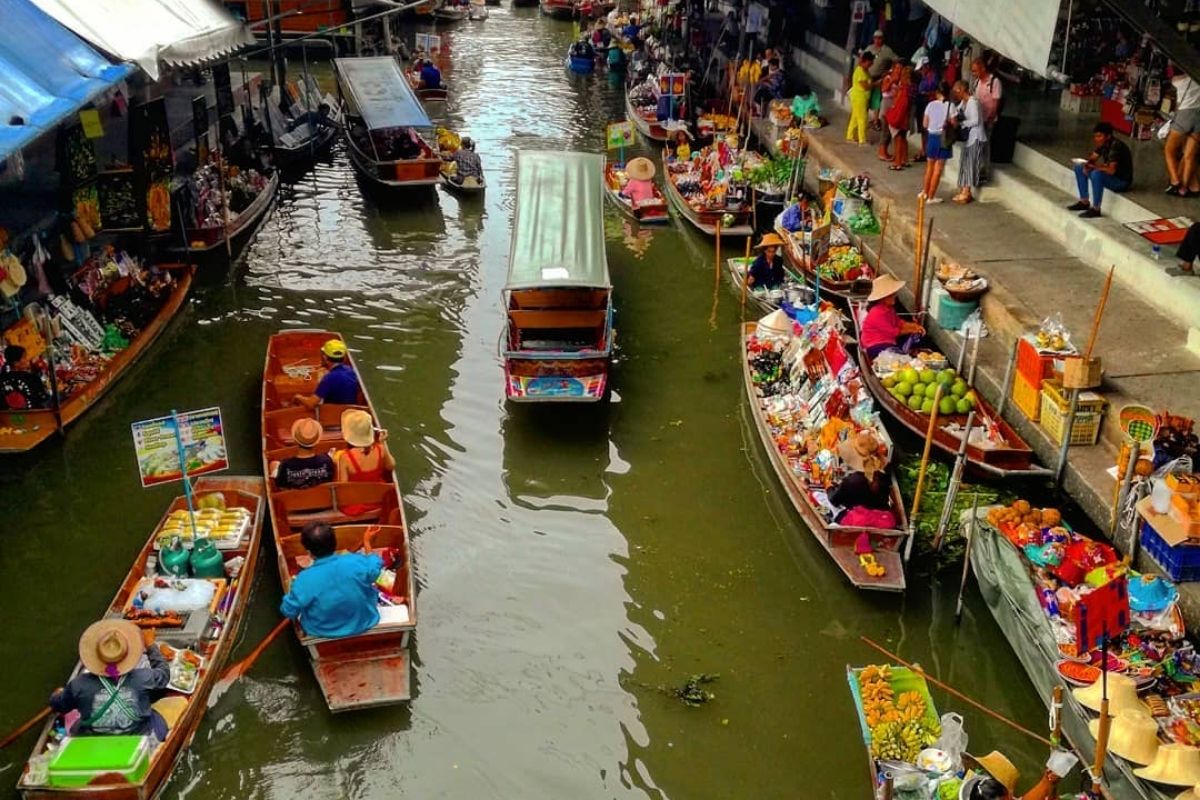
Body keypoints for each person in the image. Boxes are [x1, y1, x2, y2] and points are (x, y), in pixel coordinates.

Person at [49, 620, 171, 738]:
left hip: (94, 739)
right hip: (137, 735)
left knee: (77, 726)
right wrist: (150, 645)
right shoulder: (144, 677)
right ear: (126, 656)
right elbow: (164, 674)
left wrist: (58, 694)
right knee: (155, 717)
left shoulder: (78, 685)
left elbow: (59, 705)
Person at [280, 522, 384, 638]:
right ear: (334, 543)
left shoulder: (303, 580)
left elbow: (288, 611)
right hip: (364, 622)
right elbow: (375, 566)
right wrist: (367, 543)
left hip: (322, 632)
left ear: (309, 552)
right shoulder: (356, 562)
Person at [1068, 122, 1133, 218]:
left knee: (1096, 174)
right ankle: (1084, 201)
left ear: (1108, 136)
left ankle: (1096, 209)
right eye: (1095, 136)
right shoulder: (1103, 144)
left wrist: (1094, 167)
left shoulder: (1116, 146)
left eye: (1099, 136)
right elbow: (1093, 158)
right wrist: (1087, 164)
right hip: (1110, 177)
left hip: (1121, 181)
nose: (1096, 139)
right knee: (1079, 168)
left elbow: (1111, 170)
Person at [829, 431, 893, 518]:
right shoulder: (884, 473)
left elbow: (834, 501)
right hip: (878, 514)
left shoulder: (851, 481)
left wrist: (828, 487)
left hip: (856, 517)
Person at [860, 274, 924, 358]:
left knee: (916, 338)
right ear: (882, 298)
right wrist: (911, 330)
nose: (894, 296)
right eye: (891, 295)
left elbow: (899, 322)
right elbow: (892, 332)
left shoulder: (888, 308)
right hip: (875, 345)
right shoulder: (877, 312)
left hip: (888, 341)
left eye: (894, 294)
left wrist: (914, 326)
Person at [294, 339, 360, 410]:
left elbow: (311, 404)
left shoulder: (329, 378)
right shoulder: (351, 370)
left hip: (333, 413)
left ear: (325, 357)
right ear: (344, 358)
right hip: (351, 411)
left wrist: (298, 397)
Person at [1165, 66, 1200, 196]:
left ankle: (1175, 181)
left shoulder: (1177, 80)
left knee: (1169, 150)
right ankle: (1184, 188)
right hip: (1199, 116)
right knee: (1190, 155)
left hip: (1184, 116)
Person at [273, 418, 335, 490]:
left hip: (295, 500)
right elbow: (330, 480)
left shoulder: (286, 464)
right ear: (316, 441)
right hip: (321, 499)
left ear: (296, 440)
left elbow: (281, 488)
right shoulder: (326, 460)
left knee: (274, 464)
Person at [337, 408, 396, 483]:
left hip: (355, 494)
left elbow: (343, 487)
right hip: (378, 493)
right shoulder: (380, 448)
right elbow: (391, 466)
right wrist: (382, 443)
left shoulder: (345, 457)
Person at [951, 79, 986, 204]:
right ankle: (964, 190)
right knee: (965, 163)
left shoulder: (973, 102)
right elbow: (956, 110)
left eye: (956, 91)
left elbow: (975, 120)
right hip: (969, 138)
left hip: (975, 136)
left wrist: (961, 123)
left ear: (961, 90)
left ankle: (967, 192)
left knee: (970, 164)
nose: (955, 93)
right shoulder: (963, 102)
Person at [920, 82, 954, 202]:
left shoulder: (930, 105)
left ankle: (924, 191)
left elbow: (925, 124)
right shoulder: (950, 106)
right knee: (938, 168)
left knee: (929, 166)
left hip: (931, 137)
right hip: (943, 138)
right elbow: (954, 123)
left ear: (937, 92)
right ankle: (931, 196)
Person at [970, 57, 1002, 180]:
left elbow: (995, 102)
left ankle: (984, 170)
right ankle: (978, 169)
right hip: (978, 119)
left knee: (985, 144)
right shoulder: (977, 82)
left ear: (982, 69)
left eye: (975, 71)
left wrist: (990, 117)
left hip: (988, 119)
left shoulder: (994, 81)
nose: (974, 73)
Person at [0, 344, 48, 410]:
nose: (27, 360)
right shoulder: (32, 378)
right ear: (16, 363)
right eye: (24, 357)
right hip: (33, 417)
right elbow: (43, 398)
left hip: (8, 418)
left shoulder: (2, 378)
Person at [865, 30, 897, 128]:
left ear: (883, 39)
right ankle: (863, 119)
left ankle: (875, 121)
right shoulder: (869, 48)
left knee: (876, 101)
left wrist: (889, 72)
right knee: (865, 99)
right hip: (867, 77)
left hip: (879, 78)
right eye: (875, 38)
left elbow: (896, 59)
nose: (877, 40)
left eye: (879, 38)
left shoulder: (887, 50)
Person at [884, 66, 913, 171]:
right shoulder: (911, 87)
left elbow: (900, 103)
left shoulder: (903, 88)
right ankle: (904, 160)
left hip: (900, 118)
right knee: (903, 139)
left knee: (898, 140)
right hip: (906, 117)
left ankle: (898, 162)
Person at [911, 52, 938, 163]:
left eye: (922, 69)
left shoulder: (934, 76)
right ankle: (924, 150)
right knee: (923, 129)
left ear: (927, 66)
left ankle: (927, 151)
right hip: (921, 103)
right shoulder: (922, 77)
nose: (921, 71)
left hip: (929, 104)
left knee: (927, 129)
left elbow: (936, 91)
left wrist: (927, 93)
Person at [847, 52, 875, 145]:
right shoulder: (860, 71)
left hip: (860, 97)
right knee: (862, 118)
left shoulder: (864, 70)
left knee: (855, 117)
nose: (871, 64)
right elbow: (865, 86)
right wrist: (876, 84)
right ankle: (862, 140)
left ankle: (850, 136)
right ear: (865, 61)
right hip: (859, 97)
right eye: (870, 62)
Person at [877, 61, 903, 161]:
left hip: (893, 105)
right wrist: (892, 81)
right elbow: (884, 89)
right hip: (886, 104)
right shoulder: (888, 78)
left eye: (900, 68)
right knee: (885, 130)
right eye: (897, 68)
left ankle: (885, 151)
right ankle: (881, 152)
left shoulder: (900, 80)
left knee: (889, 130)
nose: (899, 70)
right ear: (893, 68)